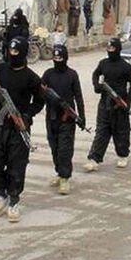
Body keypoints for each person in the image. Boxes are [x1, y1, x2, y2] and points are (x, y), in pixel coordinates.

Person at [0, 36, 43, 222]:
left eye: (16, 51)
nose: (12, 54)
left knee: (17, 166)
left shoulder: (31, 77)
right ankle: (1, 193)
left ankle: (14, 200)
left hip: (19, 129)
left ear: (23, 53)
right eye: (11, 50)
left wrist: (26, 116)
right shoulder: (0, 70)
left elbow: (40, 101)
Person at [83, 38, 131, 172]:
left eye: (112, 49)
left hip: (120, 104)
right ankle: (94, 159)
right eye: (108, 49)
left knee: (121, 132)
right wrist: (97, 86)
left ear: (118, 49)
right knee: (101, 131)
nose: (110, 51)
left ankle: (123, 155)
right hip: (105, 102)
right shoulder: (103, 63)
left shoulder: (125, 66)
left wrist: (128, 101)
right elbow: (96, 74)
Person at [42, 45, 85, 195]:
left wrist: (82, 116)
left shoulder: (72, 75)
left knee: (64, 150)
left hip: (67, 118)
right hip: (51, 117)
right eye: (55, 58)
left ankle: (65, 177)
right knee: (54, 148)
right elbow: (41, 92)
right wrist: (51, 99)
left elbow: (78, 96)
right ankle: (60, 173)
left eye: (60, 58)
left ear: (65, 58)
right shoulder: (48, 74)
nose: (57, 60)